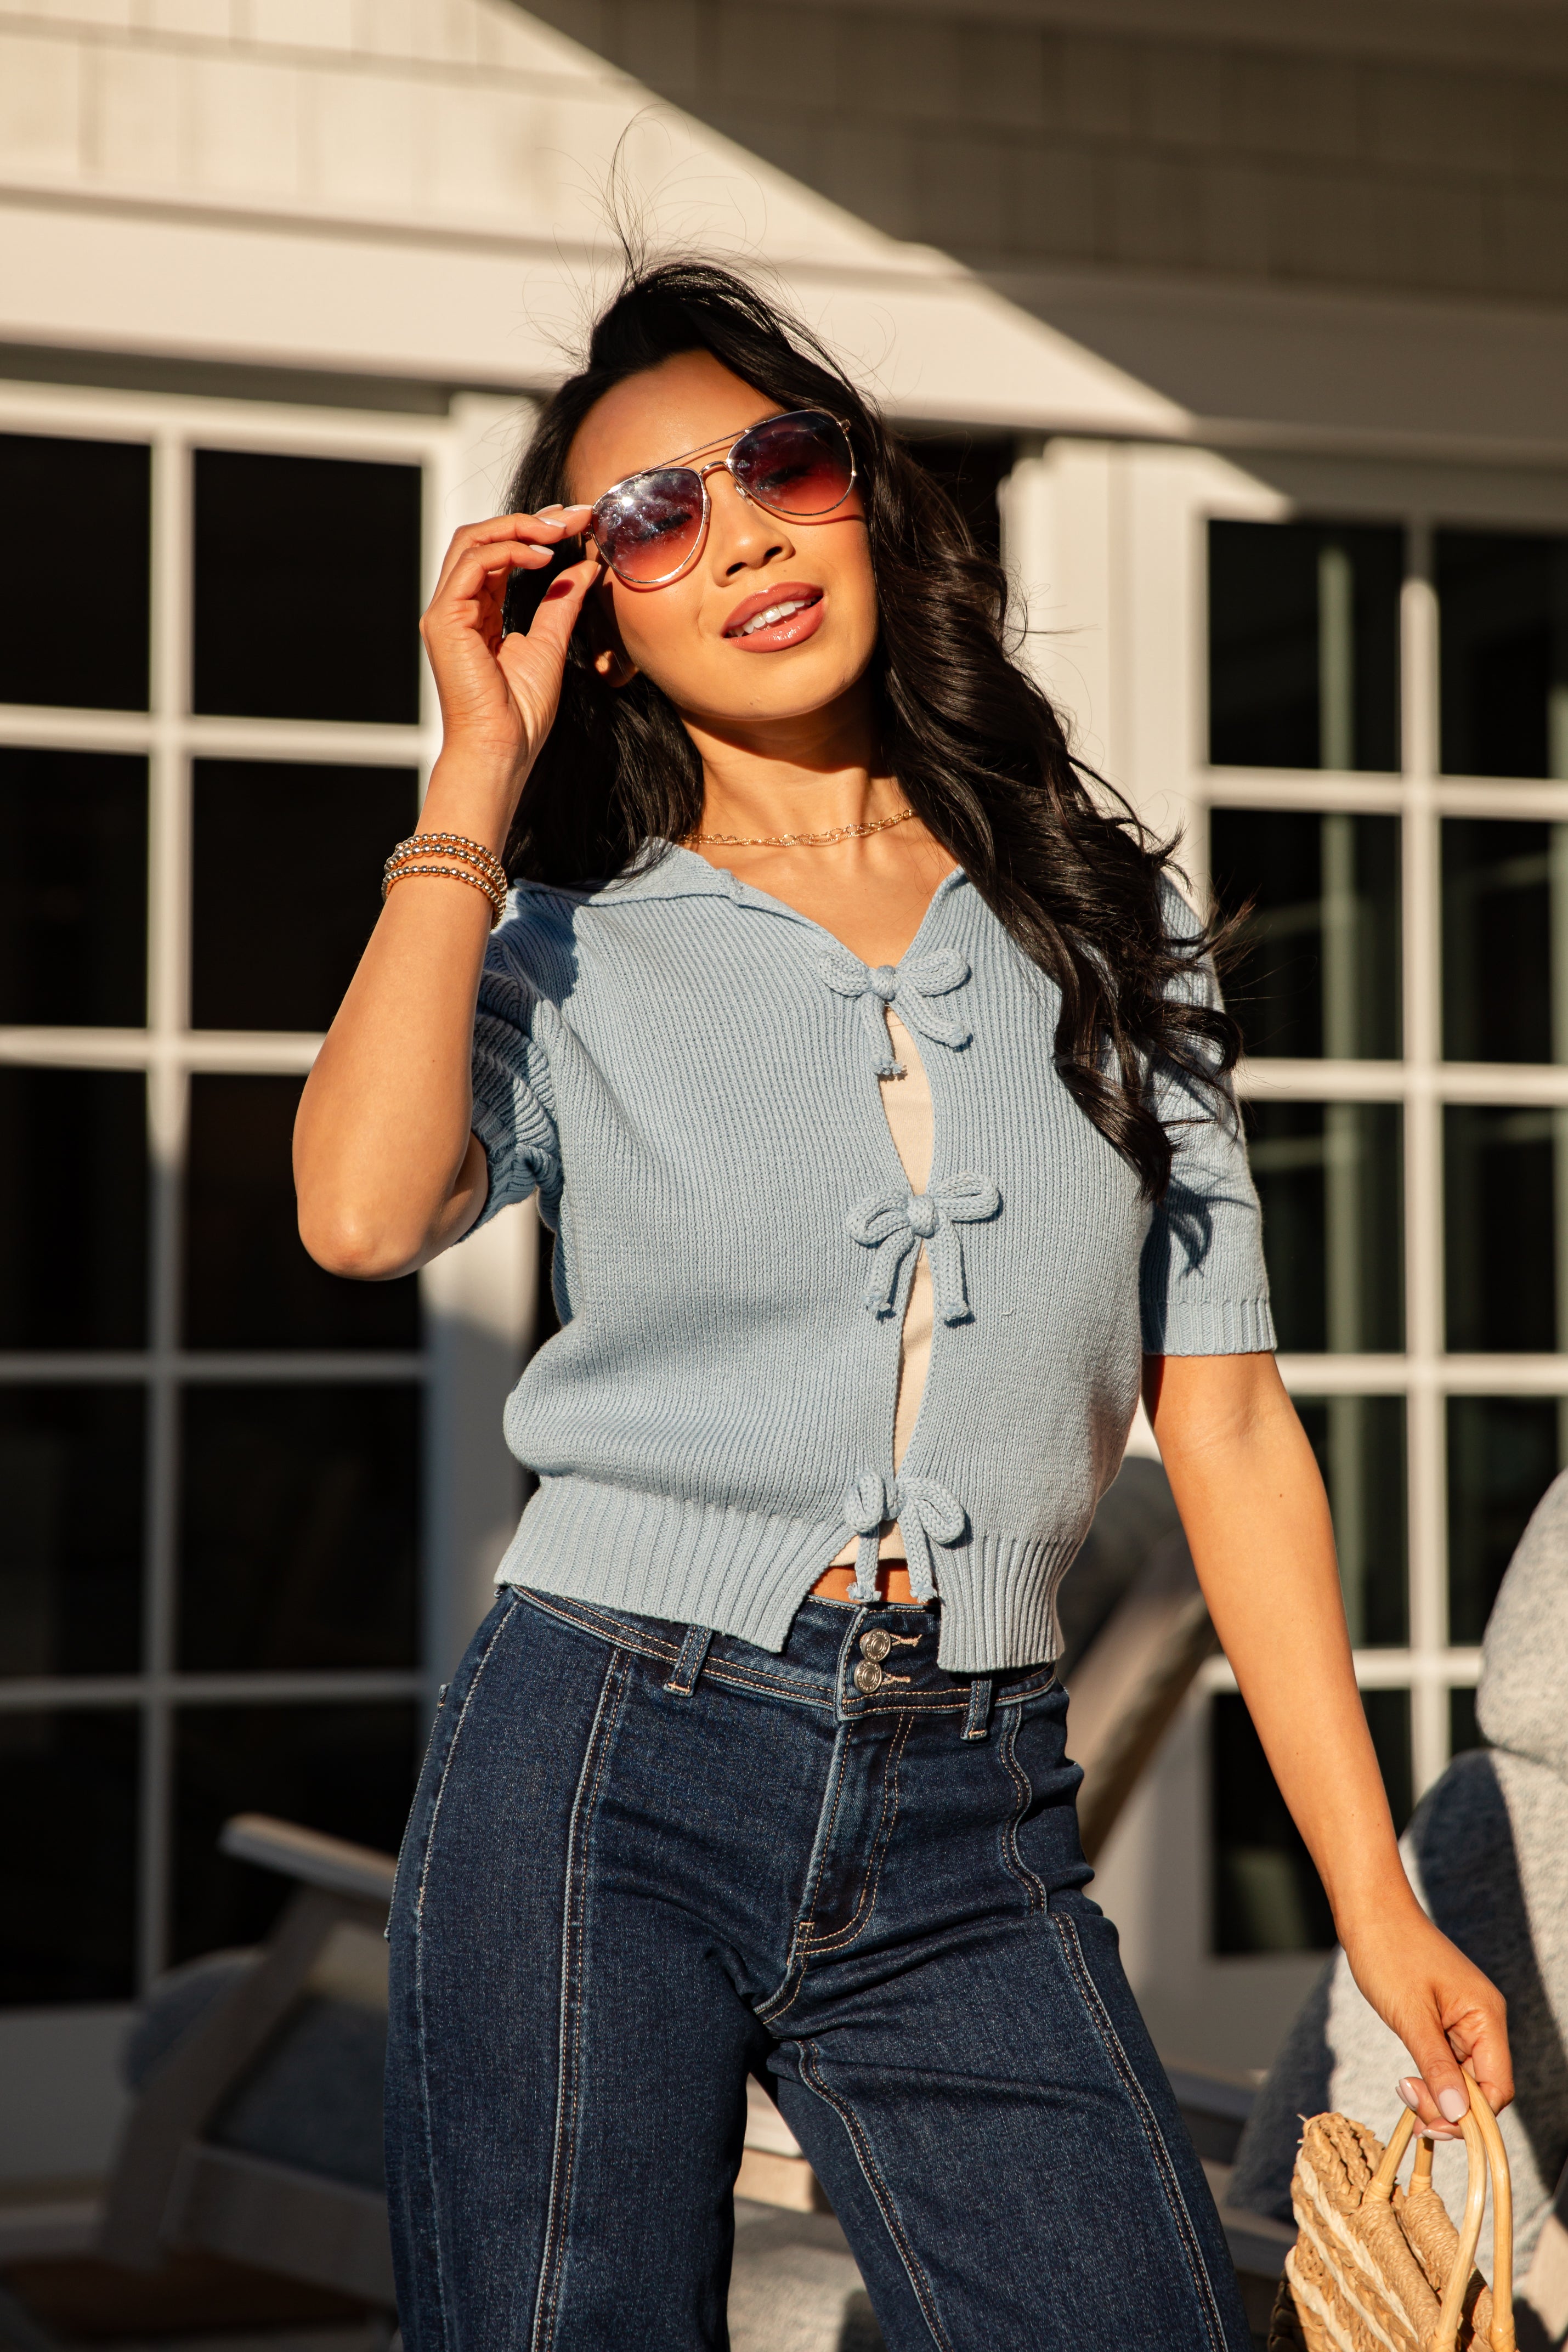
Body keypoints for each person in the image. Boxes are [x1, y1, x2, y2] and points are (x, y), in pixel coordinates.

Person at [293, 259, 1512, 2351]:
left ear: (864, 498)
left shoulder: (1101, 927)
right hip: (599, 1762)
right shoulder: (569, 956)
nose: (740, 536)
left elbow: (1226, 1427)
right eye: (652, 516)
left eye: (778, 465)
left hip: (978, 1799)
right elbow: (357, 1210)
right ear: (596, 615)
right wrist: (469, 785)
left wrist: (1372, 1904)